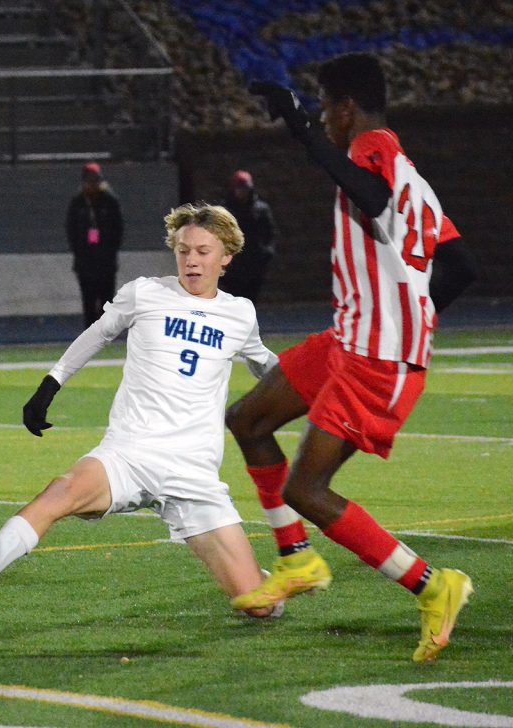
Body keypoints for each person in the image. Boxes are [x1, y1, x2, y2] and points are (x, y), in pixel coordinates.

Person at [227, 53, 478, 663]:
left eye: (322, 107)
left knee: (308, 488)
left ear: (343, 108)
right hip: (352, 338)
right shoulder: (413, 176)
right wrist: (411, 306)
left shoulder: (375, 148)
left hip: (379, 355)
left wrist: (299, 127)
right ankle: (298, 559)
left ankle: (433, 585)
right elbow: (462, 267)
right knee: (249, 420)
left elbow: (367, 190)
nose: (320, 117)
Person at [0, 203, 283, 620]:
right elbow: (97, 334)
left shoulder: (239, 314)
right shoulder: (146, 293)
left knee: (261, 606)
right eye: (184, 249)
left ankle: (257, 579)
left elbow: (262, 360)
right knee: (59, 492)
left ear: (226, 256)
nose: (191, 260)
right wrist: (50, 384)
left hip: (193, 472)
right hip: (129, 454)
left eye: (203, 251)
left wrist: (303, 383)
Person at [66, 161, 124, 328]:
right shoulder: (77, 202)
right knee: (88, 299)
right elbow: (71, 229)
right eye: (89, 180)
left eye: (95, 180)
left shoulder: (109, 200)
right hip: (85, 261)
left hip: (105, 260)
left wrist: (111, 251)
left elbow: (118, 228)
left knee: (106, 298)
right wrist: (78, 252)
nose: (93, 184)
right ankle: (90, 333)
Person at [219, 170, 276, 302]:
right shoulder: (225, 210)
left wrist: (267, 252)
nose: (243, 192)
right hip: (232, 266)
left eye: (245, 189)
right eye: (240, 189)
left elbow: (269, 233)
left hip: (254, 264)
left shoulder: (261, 209)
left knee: (251, 301)